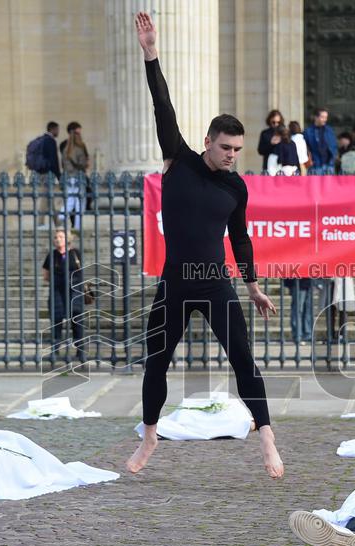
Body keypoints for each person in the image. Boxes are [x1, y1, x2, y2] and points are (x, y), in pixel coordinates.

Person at [128, 11, 283, 478]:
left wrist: (253, 286)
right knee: (155, 364)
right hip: (174, 284)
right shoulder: (179, 160)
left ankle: (269, 443)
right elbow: (162, 107)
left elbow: (240, 237)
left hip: (215, 285)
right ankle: (150, 436)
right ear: (207, 143)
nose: (232, 156)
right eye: (225, 148)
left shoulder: (236, 188)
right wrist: (151, 54)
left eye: (237, 149)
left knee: (244, 363)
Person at [42, 227, 86, 359]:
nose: (58, 239)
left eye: (61, 237)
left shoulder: (75, 253)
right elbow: (45, 275)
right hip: (57, 292)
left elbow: (81, 270)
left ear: (67, 239)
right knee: (56, 322)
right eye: (56, 237)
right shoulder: (52, 255)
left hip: (74, 292)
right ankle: (55, 350)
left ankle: (80, 351)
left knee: (77, 321)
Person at [60, 121, 90, 230]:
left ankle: (62, 215)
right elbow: (82, 164)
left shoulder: (65, 148)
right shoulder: (79, 148)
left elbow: (63, 163)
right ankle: (77, 226)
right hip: (78, 177)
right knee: (80, 203)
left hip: (68, 177)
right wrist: (86, 164)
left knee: (70, 200)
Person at [282, 277, 313, 343]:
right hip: (298, 282)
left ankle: (306, 334)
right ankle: (298, 334)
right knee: (298, 310)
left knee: (307, 310)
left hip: (308, 282)